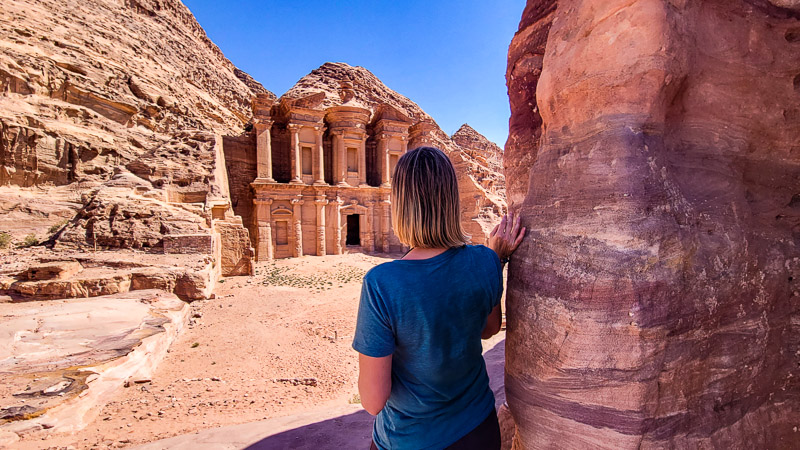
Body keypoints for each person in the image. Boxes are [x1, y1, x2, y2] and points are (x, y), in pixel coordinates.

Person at [352, 146, 526, 449]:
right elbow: (489, 329)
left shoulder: (382, 284)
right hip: (480, 430)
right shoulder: (484, 260)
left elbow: (372, 401)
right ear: (450, 199)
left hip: (412, 440)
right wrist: (495, 258)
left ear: (401, 205)